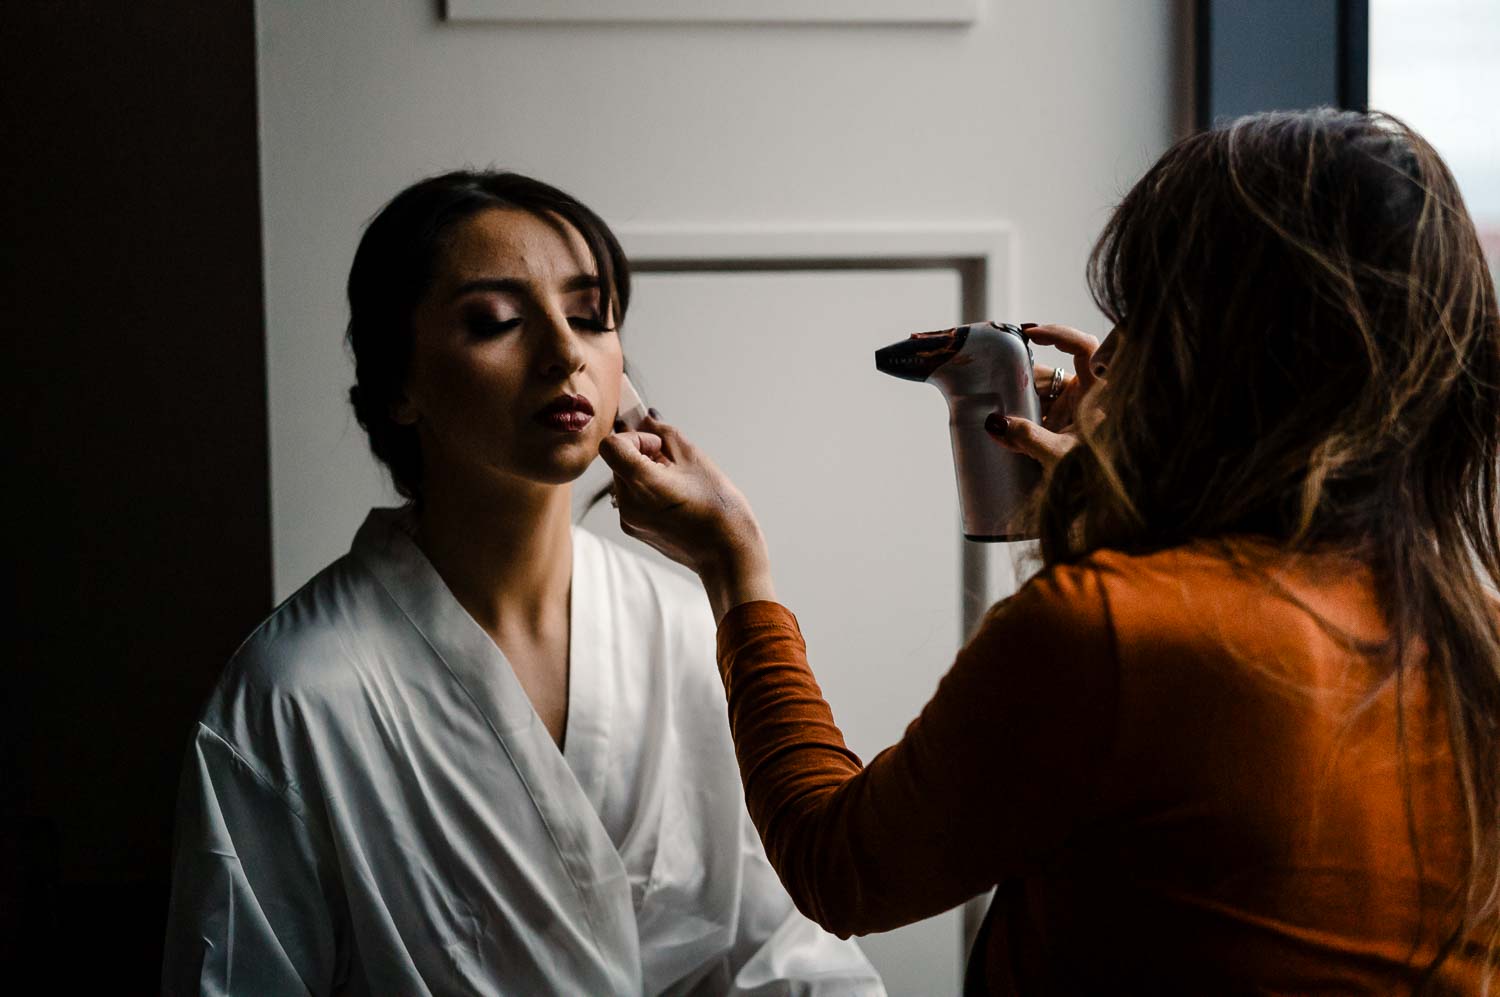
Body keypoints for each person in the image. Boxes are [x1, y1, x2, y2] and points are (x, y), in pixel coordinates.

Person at [599, 109, 1500, 993]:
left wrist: (733, 569)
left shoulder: (1116, 630)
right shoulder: (1472, 624)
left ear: (1204, 352)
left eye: (1137, 314)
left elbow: (841, 868)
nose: (1106, 355)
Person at [161, 171, 883, 996]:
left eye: (588, 316)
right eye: (496, 321)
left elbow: (788, 953)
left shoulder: (683, 627)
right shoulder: (294, 696)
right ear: (400, 384)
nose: (564, 351)